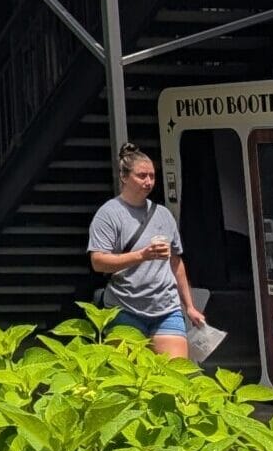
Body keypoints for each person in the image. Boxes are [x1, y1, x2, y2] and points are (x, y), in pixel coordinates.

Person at [87, 144, 206, 357]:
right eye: (142, 176)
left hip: (166, 307)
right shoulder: (109, 214)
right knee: (128, 380)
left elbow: (176, 262)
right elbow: (98, 261)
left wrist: (189, 306)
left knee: (175, 377)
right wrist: (141, 255)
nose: (148, 181)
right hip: (125, 307)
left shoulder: (163, 214)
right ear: (124, 177)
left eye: (152, 176)